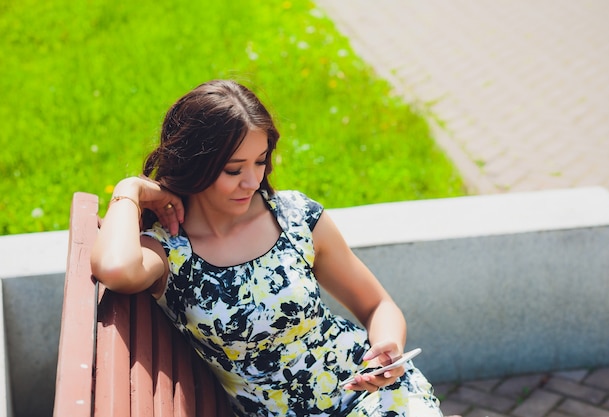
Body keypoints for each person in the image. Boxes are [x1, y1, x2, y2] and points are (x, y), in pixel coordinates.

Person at [91, 79, 447, 417]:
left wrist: (387, 350)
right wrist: (131, 190)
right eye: (234, 170)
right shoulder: (172, 251)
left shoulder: (294, 217)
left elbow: (376, 304)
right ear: (194, 166)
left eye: (260, 161)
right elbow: (116, 268)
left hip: (372, 393)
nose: (253, 181)